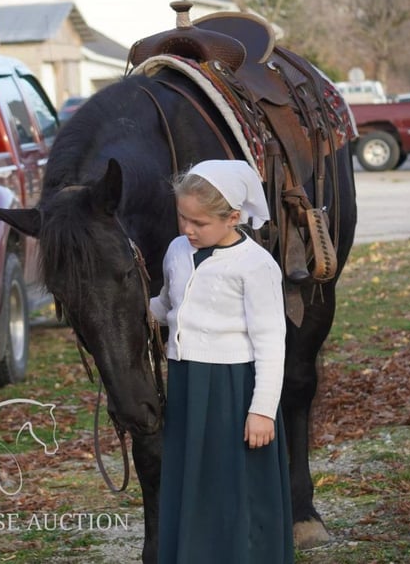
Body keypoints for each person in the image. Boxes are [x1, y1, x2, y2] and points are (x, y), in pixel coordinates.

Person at [150, 159, 294, 564]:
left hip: (234, 389)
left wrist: (262, 411)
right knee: (191, 482)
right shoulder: (178, 251)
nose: (187, 229)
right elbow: (167, 305)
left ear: (233, 217)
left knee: (235, 486)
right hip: (187, 382)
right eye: (182, 218)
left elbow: (271, 342)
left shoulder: (255, 266)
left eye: (198, 223)